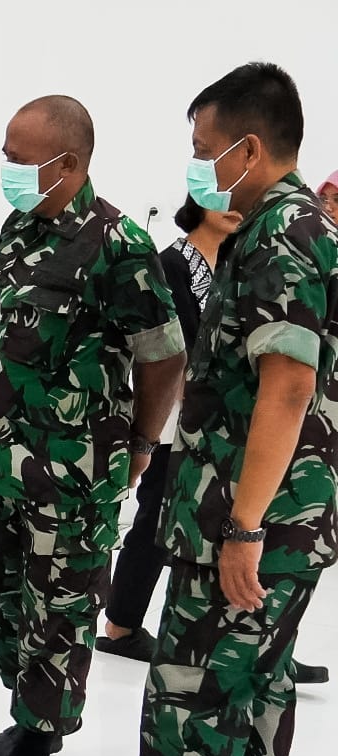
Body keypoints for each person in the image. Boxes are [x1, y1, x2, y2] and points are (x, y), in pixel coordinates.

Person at [61, 62, 338, 756]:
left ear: (248, 149)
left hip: (250, 518)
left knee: (191, 686)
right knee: (257, 683)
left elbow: (287, 387)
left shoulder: (280, 236)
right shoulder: (299, 227)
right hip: (293, 514)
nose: (198, 164)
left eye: (204, 148)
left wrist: (244, 524)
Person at [0, 96, 186, 756]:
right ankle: (35, 713)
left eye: (19, 159)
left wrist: (142, 442)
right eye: (7, 154)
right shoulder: (18, 229)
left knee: (59, 604)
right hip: (0, 456)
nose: (7, 168)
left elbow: (164, 356)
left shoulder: (119, 245)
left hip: (72, 469)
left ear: (69, 163)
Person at [97, 201, 331, 685]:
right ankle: (121, 624)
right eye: (221, 203)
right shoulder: (172, 262)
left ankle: (264, 642)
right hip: (177, 418)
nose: (233, 212)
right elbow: (177, 348)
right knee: (154, 518)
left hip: (224, 428)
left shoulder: (238, 259)